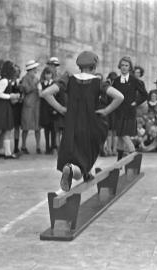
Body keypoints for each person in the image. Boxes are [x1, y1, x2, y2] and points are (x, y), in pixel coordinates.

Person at [41, 51, 124, 191]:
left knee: (74, 154)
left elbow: (45, 93)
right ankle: (75, 170)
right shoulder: (98, 82)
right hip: (91, 125)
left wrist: (61, 108)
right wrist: (105, 111)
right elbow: (119, 97)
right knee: (85, 158)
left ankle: (79, 170)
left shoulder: (69, 79)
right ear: (94, 66)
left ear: (79, 66)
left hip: (71, 125)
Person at [112, 56, 148, 161]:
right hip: (118, 112)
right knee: (120, 137)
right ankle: (119, 162)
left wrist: (136, 102)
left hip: (129, 113)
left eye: (126, 65)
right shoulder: (116, 81)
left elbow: (144, 94)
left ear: (130, 67)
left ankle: (134, 154)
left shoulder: (134, 80)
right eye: (122, 65)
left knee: (124, 135)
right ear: (120, 66)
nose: (124, 67)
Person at [0, 61, 20, 160]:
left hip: (6, 106)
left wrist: (13, 96)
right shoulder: (4, 81)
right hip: (1, 107)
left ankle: (8, 153)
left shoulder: (7, 80)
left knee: (8, 130)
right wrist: (10, 96)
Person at [20, 60, 41, 154]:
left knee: (37, 127)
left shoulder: (36, 78)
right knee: (25, 127)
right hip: (28, 105)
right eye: (35, 68)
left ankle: (38, 146)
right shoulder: (25, 78)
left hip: (36, 105)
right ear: (31, 69)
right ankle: (23, 146)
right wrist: (35, 86)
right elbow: (26, 89)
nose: (36, 69)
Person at [39, 67, 55, 154]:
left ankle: (53, 147)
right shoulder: (41, 83)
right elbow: (40, 95)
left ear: (52, 75)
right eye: (46, 74)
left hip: (52, 107)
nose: (48, 75)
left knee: (53, 129)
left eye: (49, 74)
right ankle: (47, 147)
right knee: (46, 129)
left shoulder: (54, 83)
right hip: (44, 108)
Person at [11, 64, 23, 154]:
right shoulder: (8, 81)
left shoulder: (21, 81)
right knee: (5, 128)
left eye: (18, 71)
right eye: (15, 71)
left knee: (17, 127)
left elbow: (23, 94)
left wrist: (21, 98)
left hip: (18, 107)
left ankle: (16, 147)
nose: (16, 73)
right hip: (9, 106)